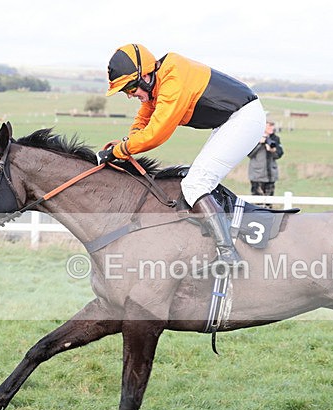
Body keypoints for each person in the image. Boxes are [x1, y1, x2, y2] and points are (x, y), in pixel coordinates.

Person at [98, 43, 266, 268]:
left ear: (145, 76)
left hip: (244, 119)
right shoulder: (159, 79)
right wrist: (128, 143)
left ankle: (228, 255)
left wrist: (120, 150)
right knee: (195, 180)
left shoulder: (172, 80)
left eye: (129, 88)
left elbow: (156, 134)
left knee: (195, 185)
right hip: (232, 120)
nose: (130, 96)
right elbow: (144, 119)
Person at [247, 121, 283, 207]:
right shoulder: (254, 137)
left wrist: (272, 150)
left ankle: (269, 219)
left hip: (270, 175)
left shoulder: (275, 139)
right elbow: (249, 154)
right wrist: (260, 143)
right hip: (257, 175)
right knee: (257, 203)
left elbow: (279, 154)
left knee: (269, 204)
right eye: (269, 127)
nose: (271, 129)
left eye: (272, 126)